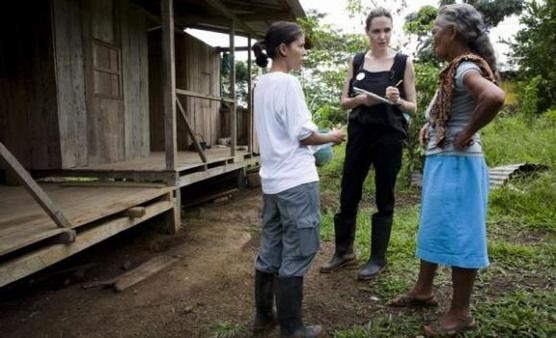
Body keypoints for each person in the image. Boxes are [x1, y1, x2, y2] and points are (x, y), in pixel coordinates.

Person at [389, 3, 505, 336]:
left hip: (459, 166)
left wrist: (466, 132)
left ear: (452, 32)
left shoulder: (465, 67)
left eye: (436, 30)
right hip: (445, 162)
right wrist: (433, 126)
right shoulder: (457, 67)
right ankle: (423, 290)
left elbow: (494, 97)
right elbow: (452, 109)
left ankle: (461, 313)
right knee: (436, 225)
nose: (433, 35)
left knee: (461, 232)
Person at [251, 21, 346, 338]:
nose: (304, 52)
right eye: (301, 46)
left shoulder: (260, 84)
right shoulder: (288, 84)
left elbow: (279, 132)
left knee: (272, 247)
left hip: (273, 182)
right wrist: (332, 136)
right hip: (296, 181)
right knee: (301, 247)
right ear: (283, 49)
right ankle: (292, 328)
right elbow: (304, 136)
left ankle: (264, 317)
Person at [320, 7, 417, 280]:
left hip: (389, 134)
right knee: (349, 189)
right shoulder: (358, 60)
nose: (382, 36)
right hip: (360, 131)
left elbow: (413, 107)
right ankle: (343, 252)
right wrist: (360, 100)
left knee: (384, 193)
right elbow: (343, 102)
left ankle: (378, 258)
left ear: (391, 31)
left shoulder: (402, 62)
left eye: (387, 30)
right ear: (367, 32)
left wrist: (398, 100)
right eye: (376, 31)